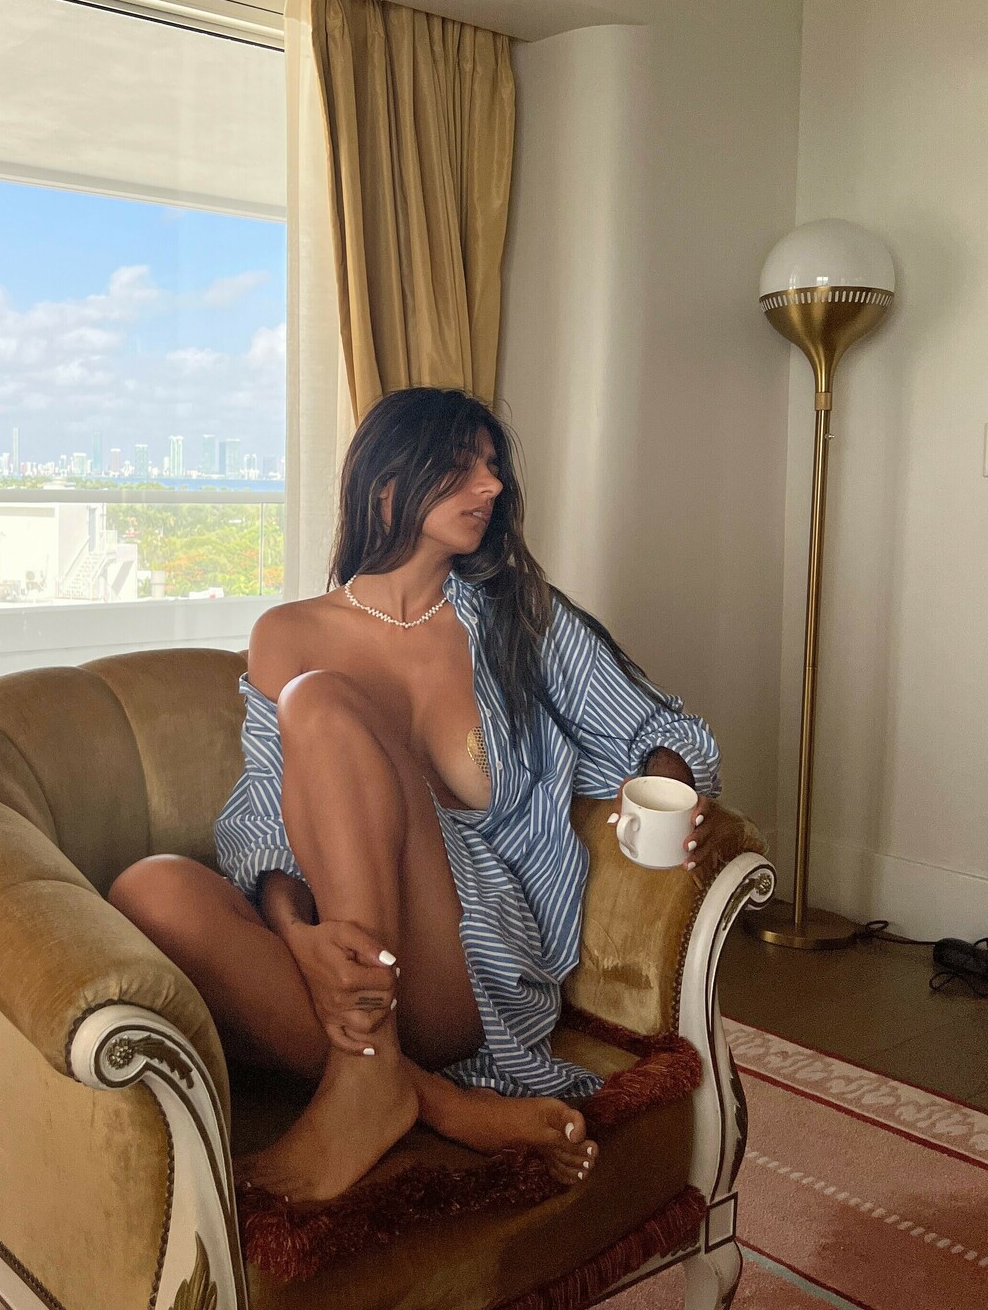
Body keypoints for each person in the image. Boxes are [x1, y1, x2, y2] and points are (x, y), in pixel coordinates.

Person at [107, 386, 732, 1204]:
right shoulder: (288, 634)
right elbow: (265, 819)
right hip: (349, 952)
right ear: (388, 486)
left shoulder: (520, 620)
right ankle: (422, 1096)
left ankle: (372, 1082)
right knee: (148, 888)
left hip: (466, 963)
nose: (492, 485)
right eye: (464, 466)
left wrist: (671, 790)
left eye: (493, 466)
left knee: (319, 699)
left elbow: (662, 728)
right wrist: (299, 936)